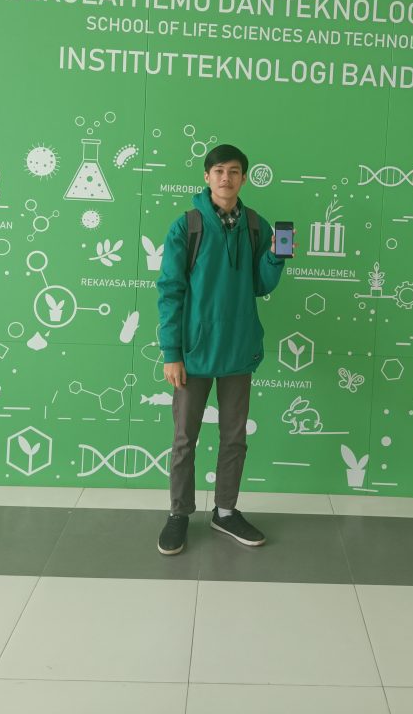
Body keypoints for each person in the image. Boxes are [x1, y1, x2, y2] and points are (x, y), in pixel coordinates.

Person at [155, 143, 290, 555]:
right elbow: (170, 290)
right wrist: (171, 353)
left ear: (244, 178)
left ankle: (226, 511)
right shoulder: (187, 227)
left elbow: (260, 285)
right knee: (185, 439)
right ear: (206, 177)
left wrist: (275, 257)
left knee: (234, 437)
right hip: (193, 353)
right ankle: (179, 514)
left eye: (233, 171)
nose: (226, 178)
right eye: (218, 171)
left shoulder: (256, 225)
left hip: (238, 350)